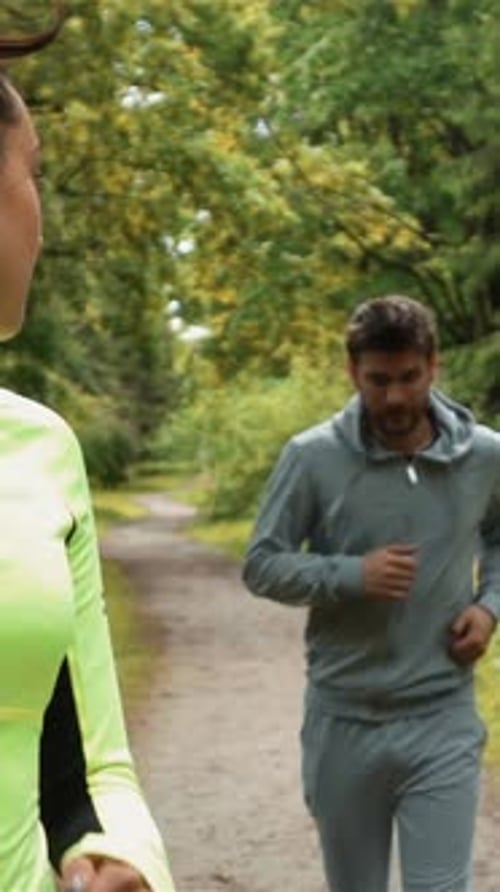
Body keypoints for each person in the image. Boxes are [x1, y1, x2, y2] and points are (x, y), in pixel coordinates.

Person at [0, 11, 176, 892]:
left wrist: (118, 853)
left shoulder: (39, 451)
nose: (42, 210)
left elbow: (92, 770)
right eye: (35, 174)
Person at [242, 294, 500, 892]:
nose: (395, 398)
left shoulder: (484, 456)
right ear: (352, 371)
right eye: (378, 380)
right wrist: (351, 575)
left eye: (409, 378)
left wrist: (488, 609)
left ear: (433, 366)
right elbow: (261, 563)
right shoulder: (312, 458)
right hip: (344, 721)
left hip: (442, 712)